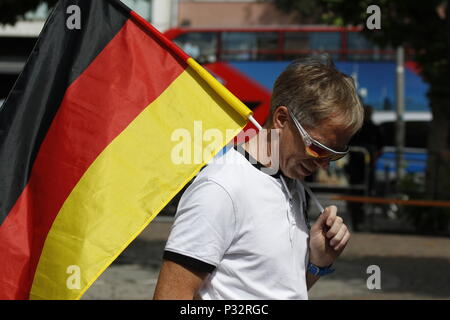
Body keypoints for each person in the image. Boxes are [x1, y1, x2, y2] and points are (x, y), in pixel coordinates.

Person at [153, 55, 364, 300]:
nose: (324, 165)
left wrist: (317, 262)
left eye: (335, 155)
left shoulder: (291, 183)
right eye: (317, 148)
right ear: (282, 119)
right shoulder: (221, 188)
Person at [346, 105, 383, 231]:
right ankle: (358, 220)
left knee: (362, 192)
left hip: (364, 167)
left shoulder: (370, 128)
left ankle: (362, 220)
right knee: (358, 192)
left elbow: (380, 147)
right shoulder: (356, 128)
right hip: (359, 167)